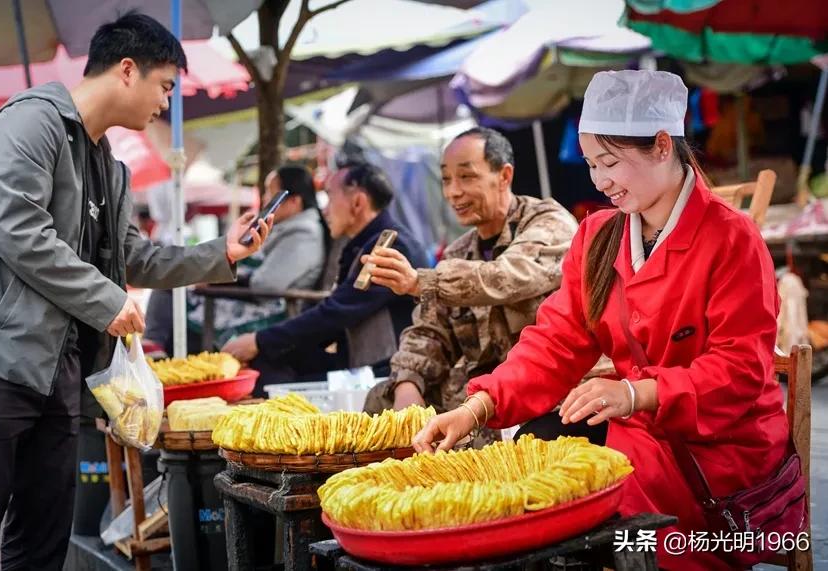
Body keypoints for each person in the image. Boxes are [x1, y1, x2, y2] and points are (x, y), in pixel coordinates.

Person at [0, 13, 272, 571]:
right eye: (165, 86)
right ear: (127, 70)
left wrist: (222, 252)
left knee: (42, 540)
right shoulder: (32, 122)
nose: (166, 103)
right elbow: (19, 231)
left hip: (57, 371)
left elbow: (135, 257)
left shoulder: (110, 168)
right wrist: (108, 300)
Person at [413, 70, 789, 571]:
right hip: (640, 426)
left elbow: (740, 371)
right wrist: (477, 408)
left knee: (601, 492)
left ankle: (640, 556)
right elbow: (554, 343)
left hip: (718, 446)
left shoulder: (732, 238)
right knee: (539, 445)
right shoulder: (596, 236)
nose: (599, 181)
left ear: (662, 145)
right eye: (591, 164)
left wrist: (636, 393)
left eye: (610, 162)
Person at [361, 127, 579, 447]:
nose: (453, 192)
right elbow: (428, 332)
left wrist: (422, 281)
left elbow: (507, 276)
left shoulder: (550, 222)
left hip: (547, 388)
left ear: (504, 176)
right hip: (484, 392)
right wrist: (408, 386)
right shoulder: (458, 252)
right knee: (382, 400)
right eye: (446, 179)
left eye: (466, 177)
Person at [222, 162, 428, 394]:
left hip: (388, 375)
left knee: (269, 381)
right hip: (355, 364)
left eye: (329, 197)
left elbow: (338, 312)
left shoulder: (390, 246)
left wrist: (260, 341)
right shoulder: (365, 242)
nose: (325, 210)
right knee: (268, 364)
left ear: (358, 203)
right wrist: (267, 345)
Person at [147, 164, 330, 353]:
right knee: (172, 285)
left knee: (174, 294)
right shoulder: (287, 229)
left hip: (271, 311)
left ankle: (155, 347)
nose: (265, 199)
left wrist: (219, 282)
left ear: (294, 201)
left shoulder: (303, 235)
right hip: (252, 300)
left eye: (271, 193)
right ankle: (153, 346)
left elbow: (266, 285)